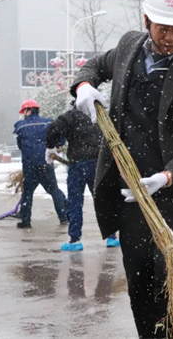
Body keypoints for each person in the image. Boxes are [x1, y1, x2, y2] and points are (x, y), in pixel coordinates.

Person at [71, 0, 173, 337]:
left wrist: (168, 176)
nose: (169, 38)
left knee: (167, 282)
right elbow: (94, 64)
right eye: (162, 28)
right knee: (139, 279)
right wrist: (84, 86)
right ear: (146, 21)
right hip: (130, 190)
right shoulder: (128, 48)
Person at [45, 102, 119, 251]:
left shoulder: (71, 116)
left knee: (75, 202)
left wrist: (50, 146)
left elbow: (53, 129)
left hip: (78, 164)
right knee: (102, 200)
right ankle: (111, 237)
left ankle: (74, 240)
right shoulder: (99, 115)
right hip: (99, 164)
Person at [14, 99, 68, 229]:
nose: (23, 114)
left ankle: (26, 222)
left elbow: (20, 145)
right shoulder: (49, 122)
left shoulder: (20, 126)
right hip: (46, 163)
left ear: (28, 111)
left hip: (29, 164)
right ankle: (63, 217)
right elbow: (61, 138)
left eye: (24, 111)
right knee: (54, 191)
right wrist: (56, 145)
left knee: (27, 193)